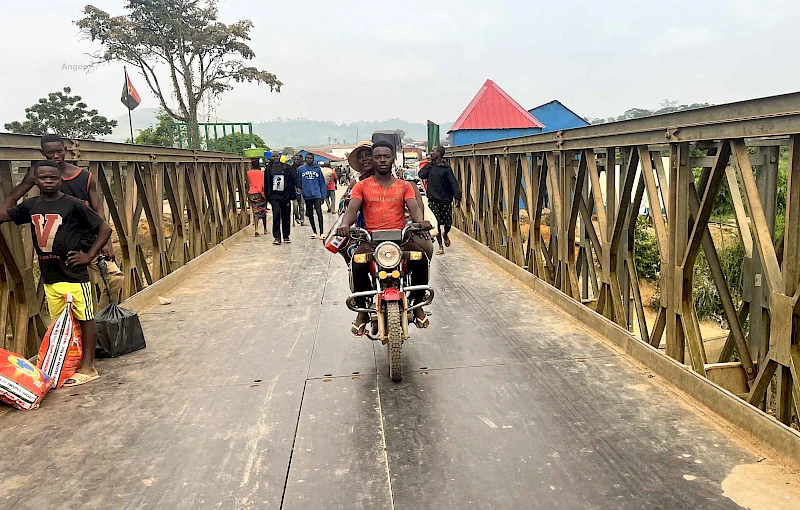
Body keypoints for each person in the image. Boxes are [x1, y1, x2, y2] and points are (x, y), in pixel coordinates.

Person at [0, 161, 112, 386]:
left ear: (60, 179)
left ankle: (88, 367)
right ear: (36, 181)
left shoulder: (72, 204)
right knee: (61, 321)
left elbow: (104, 228)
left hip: (74, 274)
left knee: (85, 317)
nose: (48, 181)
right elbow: (5, 214)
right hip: (49, 274)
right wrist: (19, 190)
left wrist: (89, 256)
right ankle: (67, 363)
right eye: (42, 178)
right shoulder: (31, 205)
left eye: (53, 178)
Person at [0, 135, 123, 309]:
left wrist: (103, 243)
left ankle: (100, 318)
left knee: (114, 277)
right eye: (51, 153)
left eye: (59, 151)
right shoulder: (39, 173)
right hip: (56, 243)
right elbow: (14, 195)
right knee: (64, 293)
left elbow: (98, 212)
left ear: (66, 150)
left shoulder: (85, 177)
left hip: (86, 241)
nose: (56, 156)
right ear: (43, 153)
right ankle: (73, 325)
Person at [337, 141, 433, 336]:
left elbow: (414, 208)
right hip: (370, 239)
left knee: (419, 257)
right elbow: (352, 209)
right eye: (378, 156)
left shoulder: (404, 186)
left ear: (392, 159)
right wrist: (345, 225)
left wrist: (421, 221)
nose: (382, 160)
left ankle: (417, 303)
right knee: (357, 261)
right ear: (373, 160)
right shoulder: (361, 186)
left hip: (401, 238)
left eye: (386, 156)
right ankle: (363, 310)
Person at [419, 145, 461, 255]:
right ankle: (440, 246)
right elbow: (421, 174)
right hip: (433, 199)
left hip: (445, 200)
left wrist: (457, 196)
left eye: (433, 151)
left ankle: (446, 234)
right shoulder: (430, 167)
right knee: (436, 224)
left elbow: (453, 183)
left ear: (438, 154)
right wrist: (429, 164)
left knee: (447, 223)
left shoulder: (446, 168)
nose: (431, 152)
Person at [265, 151, 299, 245]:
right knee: (276, 215)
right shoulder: (269, 169)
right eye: (273, 156)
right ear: (271, 157)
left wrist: (298, 187)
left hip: (285, 195)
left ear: (280, 157)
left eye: (277, 156)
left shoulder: (287, 167)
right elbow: (266, 183)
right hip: (274, 196)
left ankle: (286, 236)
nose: (275, 158)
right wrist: (267, 196)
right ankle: (277, 237)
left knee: (286, 216)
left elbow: (294, 178)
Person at [298, 153, 327, 239]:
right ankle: (314, 231)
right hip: (307, 195)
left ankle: (322, 232)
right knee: (310, 213)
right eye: (307, 158)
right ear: (305, 159)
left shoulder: (317, 169)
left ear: (313, 159)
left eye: (311, 158)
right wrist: (298, 192)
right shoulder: (301, 169)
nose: (309, 159)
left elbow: (322, 182)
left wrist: (323, 195)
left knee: (319, 212)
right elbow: (298, 181)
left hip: (317, 194)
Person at [290, 153, 305, 226]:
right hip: (293, 189)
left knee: (301, 206)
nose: (296, 161)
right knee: (295, 206)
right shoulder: (290, 169)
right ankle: (296, 217)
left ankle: (302, 220)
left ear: (300, 160)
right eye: (295, 159)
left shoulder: (303, 168)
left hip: (302, 189)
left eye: (297, 159)